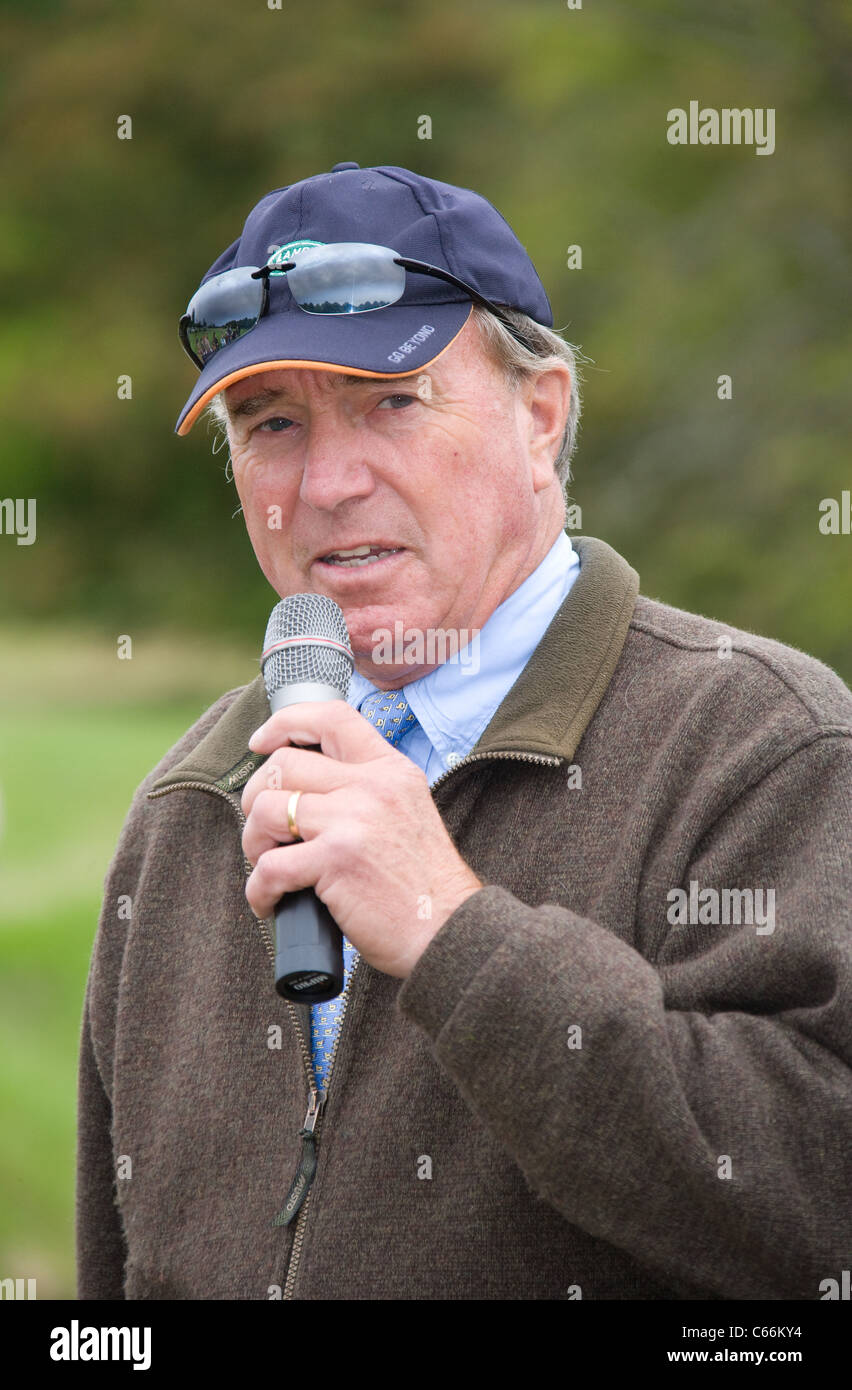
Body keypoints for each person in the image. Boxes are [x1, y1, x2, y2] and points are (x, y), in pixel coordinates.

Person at [76, 161, 852, 1301]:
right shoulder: (186, 805)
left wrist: (453, 932)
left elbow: (820, 1217)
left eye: (391, 401)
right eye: (271, 422)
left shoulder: (765, 747)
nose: (329, 481)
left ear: (541, 418)